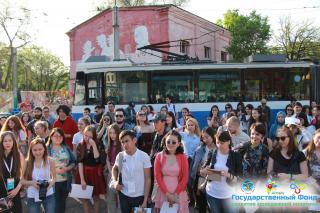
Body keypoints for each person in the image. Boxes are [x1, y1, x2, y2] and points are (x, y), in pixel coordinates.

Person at [201, 131, 242, 213]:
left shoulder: (236, 156)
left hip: (229, 195)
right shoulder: (212, 152)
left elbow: (239, 179)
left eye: (222, 143)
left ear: (229, 142)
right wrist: (205, 171)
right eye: (217, 142)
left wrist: (228, 175)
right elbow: (201, 172)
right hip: (212, 193)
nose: (219, 145)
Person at [112, 130, 151, 213]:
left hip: (140, 196)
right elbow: (114, 169)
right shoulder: (120, 155)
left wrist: (145, 200)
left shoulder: (144, 156)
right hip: (124, 195)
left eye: (127, 141)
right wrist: (115, 182)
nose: (125, 144)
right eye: (122, 142)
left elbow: (148, 179)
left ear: (134, 140)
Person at [153, 130, 189, 213]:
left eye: (173, 142)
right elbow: (157, 177)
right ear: (164, 142)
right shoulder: (159, 156)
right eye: (168, 141)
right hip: (163, 192)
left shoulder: (183, 157)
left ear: (179, 144)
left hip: (179, 193)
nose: (170, 144)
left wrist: (175, 194)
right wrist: (168, 194)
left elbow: (185, 177)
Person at [21, 138, 56, 213]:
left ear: (44, 149)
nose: (38, 152)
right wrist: (32, 183)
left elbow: (54, 178)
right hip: (32, 195)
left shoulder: (50, 161)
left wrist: (48, 186)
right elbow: (22, 180)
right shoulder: (27, 162)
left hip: (48, 194)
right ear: (31, 150)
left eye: (40, 149)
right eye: (35, 150)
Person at [76, 126, 106, 213]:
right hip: (84, 173)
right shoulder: (80, 145)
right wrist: (82, 180)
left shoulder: (99, 144)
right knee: (85, 198)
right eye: (85, 135)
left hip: (95, 173)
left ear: (94, 137)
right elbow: (80, 162)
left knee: (96, 197)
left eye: (90, 137)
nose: (87, 138)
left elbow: (98, 160)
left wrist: (93, 145)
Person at [47, 128, 76, 213]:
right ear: (51, 137)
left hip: (65, 181)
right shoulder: (46, 149)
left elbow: (73, 162)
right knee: (55, 205)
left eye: (60, 136)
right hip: (52, 182)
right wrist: (52, 170)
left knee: (62, 204)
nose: (58, 138)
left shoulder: (66, 148)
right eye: (56, 136)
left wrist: (67, 168)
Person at [189, 127, 216, 213]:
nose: (205, 140)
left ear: (213, 136)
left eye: (207, 137)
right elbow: (194, 167)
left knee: (213, 207)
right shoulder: (199, 149)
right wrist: (200, 171)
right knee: (202, 206)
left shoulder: (219, 149)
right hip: (200, 180)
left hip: (214, 181)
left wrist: (209, 173)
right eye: (203, 137)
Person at [0, 131, 25, 213]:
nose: (8, 143)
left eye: (10, 140)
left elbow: (24, 174)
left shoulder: (18, 155)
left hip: (14, 191)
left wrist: (17, 189)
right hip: (1, 192)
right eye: (5, 141)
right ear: (1, 142)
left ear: (14, 141)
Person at [105, 124, 122, 213]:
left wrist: (116, 173)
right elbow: (107, 159)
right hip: (110, 173)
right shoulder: (109, 145)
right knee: (110, 198)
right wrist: (111, 171)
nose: (112, 135)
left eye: (114, 133)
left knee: (119, 199)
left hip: (119, 174)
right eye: (110, 133)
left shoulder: (122, 146)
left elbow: (122, 162)